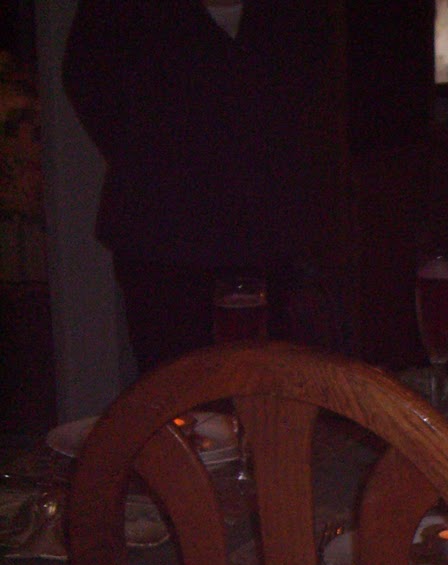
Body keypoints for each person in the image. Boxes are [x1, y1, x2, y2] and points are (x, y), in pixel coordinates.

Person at [61, 0, 341, 373]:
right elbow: (89, 81)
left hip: (267, 237)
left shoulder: (293, 11)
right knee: (175, 386)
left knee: (267, 385)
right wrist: (155, 164)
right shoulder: (122, 11)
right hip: (162, 243)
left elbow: (308, 86)